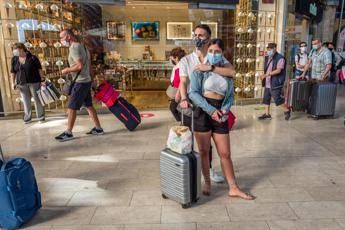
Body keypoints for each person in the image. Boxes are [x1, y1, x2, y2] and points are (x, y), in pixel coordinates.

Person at [189, 38, 254, 200]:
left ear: (222, 53)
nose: (213, 54)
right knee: (204, 151)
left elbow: (230, 95)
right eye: (210, 51)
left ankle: (234, 188)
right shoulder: (199, 70)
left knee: (225, 153)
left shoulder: (226, 71)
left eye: (217, 51)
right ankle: (207, 183)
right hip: (203, 111)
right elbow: (193, 94)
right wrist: (211, 110)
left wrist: (224, 110)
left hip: (221, 112)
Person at [178, 24, 235, 183]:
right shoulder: (187, 60)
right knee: (201, 147)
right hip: (196, 105)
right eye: (195, 35)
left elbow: (231, 73)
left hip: (218, 108)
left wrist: (210, 67)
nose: (197, 38)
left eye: (201, 35)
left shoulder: (218, 57)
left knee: (219, 150)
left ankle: (210, 172)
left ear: (209, 39)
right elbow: (184, 83)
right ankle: (201, 177)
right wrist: (183, 99)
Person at [55, 29, 104, 142]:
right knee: (88, 105)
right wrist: (91, 81)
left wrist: (66, 70)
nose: (61, 40)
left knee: (72, 107)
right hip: (85, 81)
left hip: (80, 82)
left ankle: (68, 132)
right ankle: (98, 128)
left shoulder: (74, 47)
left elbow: (79, 66)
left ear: (68, 36)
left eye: (61, 38)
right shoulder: (83, 46)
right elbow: (89, 66)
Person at [10, 43, 45, 124]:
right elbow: (12, 72)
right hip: (21, 83)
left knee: (37, 100)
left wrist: (42, 80)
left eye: (16, 50)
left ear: (22, 49)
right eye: (14, 51)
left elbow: (39, 69)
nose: (15, 52)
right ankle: (27, 118)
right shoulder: (14, 59)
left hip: (34, 82)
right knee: (25, 101)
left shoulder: (32, 57)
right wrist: (12, 83)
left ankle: (40, 117)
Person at [258, 43, 291, 121]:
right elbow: (267, 69)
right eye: (268, 49)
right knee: (266, 99)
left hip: (275, 82)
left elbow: (278, 70)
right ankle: (267, 114)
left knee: (277, 99)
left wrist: (266, 75)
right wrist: (264, 75)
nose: (269, 50)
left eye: (271, 49)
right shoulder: (268, 57)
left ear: (275, 48)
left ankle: (287, 110)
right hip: (268, 82)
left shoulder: (280, 58)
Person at [168, 47, 186, 121]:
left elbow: (181, 81)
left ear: (176, 57)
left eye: (172, 56)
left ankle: (182, 122)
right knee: (176, 108)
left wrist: (178, 94)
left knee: (173, 108)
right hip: (178, 91)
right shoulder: (178, 65)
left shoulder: (180, 67)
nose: (171, 58)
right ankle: (182, 122)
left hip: (179, 92)